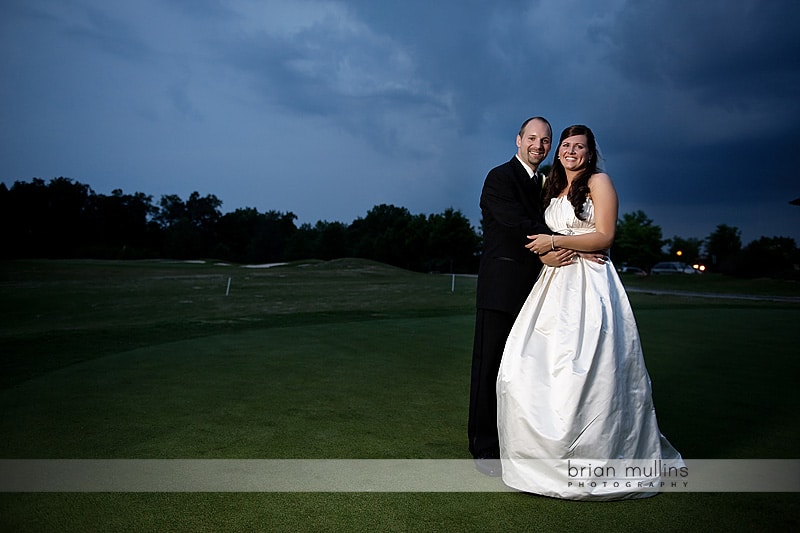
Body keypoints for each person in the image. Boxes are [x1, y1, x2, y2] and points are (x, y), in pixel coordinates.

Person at [496, 124, 683, 500]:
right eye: (565, 145)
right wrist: (555, 247)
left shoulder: (600, 182)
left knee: (589, 374)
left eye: (578, 146)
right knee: (525, 370)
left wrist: (557, 241)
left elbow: (604, 236)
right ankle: (537, 465)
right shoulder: (550, 184)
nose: (570, 151)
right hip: (551, 284)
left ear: (590, 152)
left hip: (590, 284)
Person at [468, 116, 577, 476]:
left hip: (538, 292)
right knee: (491, 369)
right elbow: (515, 223)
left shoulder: (546, 184)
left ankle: (521, 442)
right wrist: (551, 247)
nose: (539, 146)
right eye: (532, 138)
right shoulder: (499, 178)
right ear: (518, 140)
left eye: (545, 141)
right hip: (501, 289)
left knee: (525, 370)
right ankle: (484, 447)